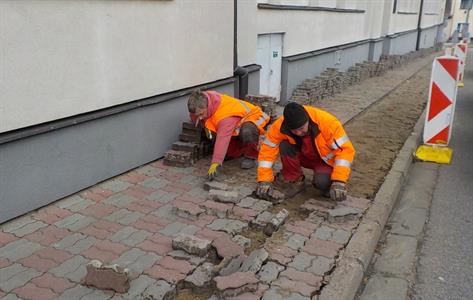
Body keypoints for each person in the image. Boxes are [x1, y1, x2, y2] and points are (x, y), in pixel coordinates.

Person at [255, 102, 355, 201]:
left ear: (307, 120)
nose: (298, 133)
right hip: (303, 156)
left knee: (322, 183)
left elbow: (345, 151)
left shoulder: (327, 123)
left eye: (301, 128)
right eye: (294, 131)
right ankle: (295, 179)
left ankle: (328, 183)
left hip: (324, 161)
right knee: (284, 145)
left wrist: (339, 181)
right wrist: (264, 180)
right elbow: (267, 152)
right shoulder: (279, 127)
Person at [187, 90, 270, 180]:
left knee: (247, 132)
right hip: (234, 121)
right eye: (197, 115)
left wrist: (216, 162)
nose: (200, 117)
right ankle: (236, 150)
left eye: (201, 114)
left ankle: (251, 155)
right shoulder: (203, 100)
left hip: (253, 116)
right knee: (230, 151)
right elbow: (194, 115)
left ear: (207, 107)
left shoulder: (224, 117)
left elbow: (222, 138)